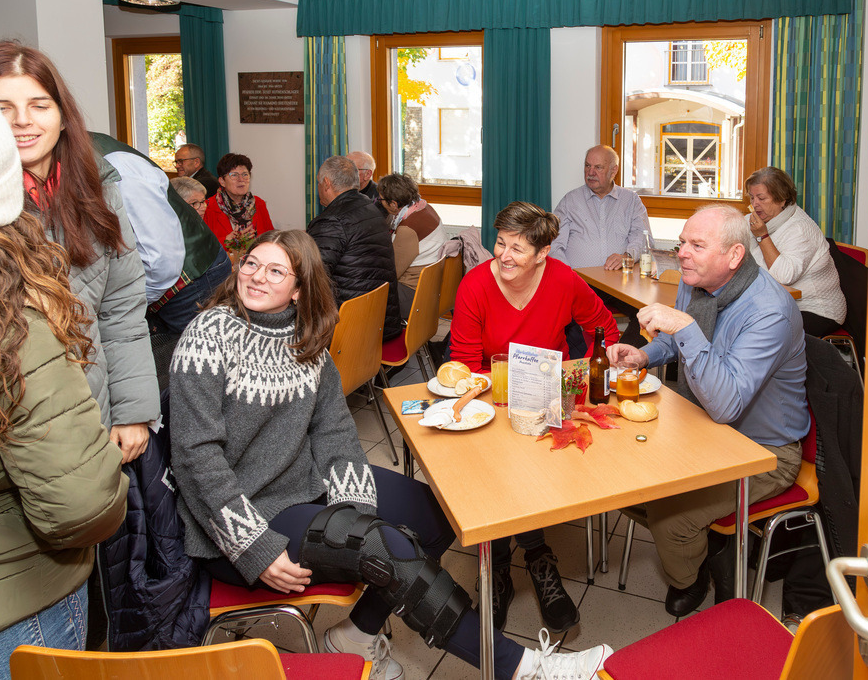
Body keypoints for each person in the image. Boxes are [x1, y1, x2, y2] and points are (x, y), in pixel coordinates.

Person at [169, 229, 614, 680]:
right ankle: (525, 668)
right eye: (251, 264)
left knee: (438, 519)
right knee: (385, 545)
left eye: (275, 270)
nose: (257, 277)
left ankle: (356, 635)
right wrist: (255, 547)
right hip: (239, 523)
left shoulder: (304, 338)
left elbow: (335, 431)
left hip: (300, 489)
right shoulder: (209, 334)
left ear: (300, 288)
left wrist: (358, 515)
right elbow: (195, 458)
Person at [0, 82, 128, 678]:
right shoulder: (1, 310)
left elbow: (123, 305)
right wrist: (116, 492)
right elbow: (79, 503)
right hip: (2, 604)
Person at [0, 41, 160, 461]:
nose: (22, 122)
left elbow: (121, 309)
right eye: (1, 108)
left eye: (39, 105)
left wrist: (133, 410)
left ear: (62, 116)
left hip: (94, 410)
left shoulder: (96, 186)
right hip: (3, 425)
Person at [606, 205, 809, 618]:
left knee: (670, 519)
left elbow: (725, 403)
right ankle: (708, 543)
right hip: (699, 426)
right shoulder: (698, 280)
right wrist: (642, 355)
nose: (682, 253)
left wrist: (683, 326)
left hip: (763, 450)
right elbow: (681, 343)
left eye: (697, 245)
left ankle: (691, 576)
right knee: (616, 479)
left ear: (734, 256)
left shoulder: (769, 310)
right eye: (682, 242)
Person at [449, 201, 619, 634]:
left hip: (552, 403)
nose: (503, 255)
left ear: (543, 253)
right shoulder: (474, 285)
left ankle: (519, 560)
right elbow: (466, 363)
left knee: (529, 470)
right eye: (501, 243)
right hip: (495, 401)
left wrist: (583, 377)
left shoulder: (563, 279)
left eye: (518, 249)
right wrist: (499, 393)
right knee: (498, 470)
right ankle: (516, 562)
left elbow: (605, 329)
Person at [92, 134, 232, 335]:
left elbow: (160, 262)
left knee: (202, 358)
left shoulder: (117, 167)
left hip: (191, 279)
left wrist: (130, 302)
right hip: (166, 280)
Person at [550, 145, 654, 348]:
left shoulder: (631, 200)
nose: (591, 172)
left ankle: (620, 357)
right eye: (587, 166)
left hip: (620, 284)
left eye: (598, 167)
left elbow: (643, 237)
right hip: (580, 282)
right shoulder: (570, 201)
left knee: (648, 314)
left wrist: (628, 255)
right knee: (561, 315)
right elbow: (554, 244)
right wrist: (568, 277)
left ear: (613, 170)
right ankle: (584, 364)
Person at [307, 155, 404, 341]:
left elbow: (313, 276)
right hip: (381, 319)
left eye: (319, 182)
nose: (318, 187)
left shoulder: (332, 221)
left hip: (351, 328)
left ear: (326, 183)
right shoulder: (371, 208)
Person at [745, 166, 847, 336]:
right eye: (752, 197)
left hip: (816, 310)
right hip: (780, 303)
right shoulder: (762, 218)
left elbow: (783, 276)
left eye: (761, 198)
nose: (755, 204)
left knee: (757, 331)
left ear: (782, 199)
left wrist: (762, 236)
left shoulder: (800, 229)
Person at [378, 172, 447, 315]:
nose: (380, 202)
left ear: (394, 204)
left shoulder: (408, 228)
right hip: (430, 287)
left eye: (382, 199)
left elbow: (393, 272)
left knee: (367, 294)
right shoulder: (424, 208)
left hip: (413, 294)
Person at [203, 152, 274, 250]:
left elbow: (271, 239)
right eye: (234, 175)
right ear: (222, 181)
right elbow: (203, 247)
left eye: (245, 174)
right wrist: (228, 241)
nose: (241, 179)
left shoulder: (258, 203)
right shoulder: (207, 207)